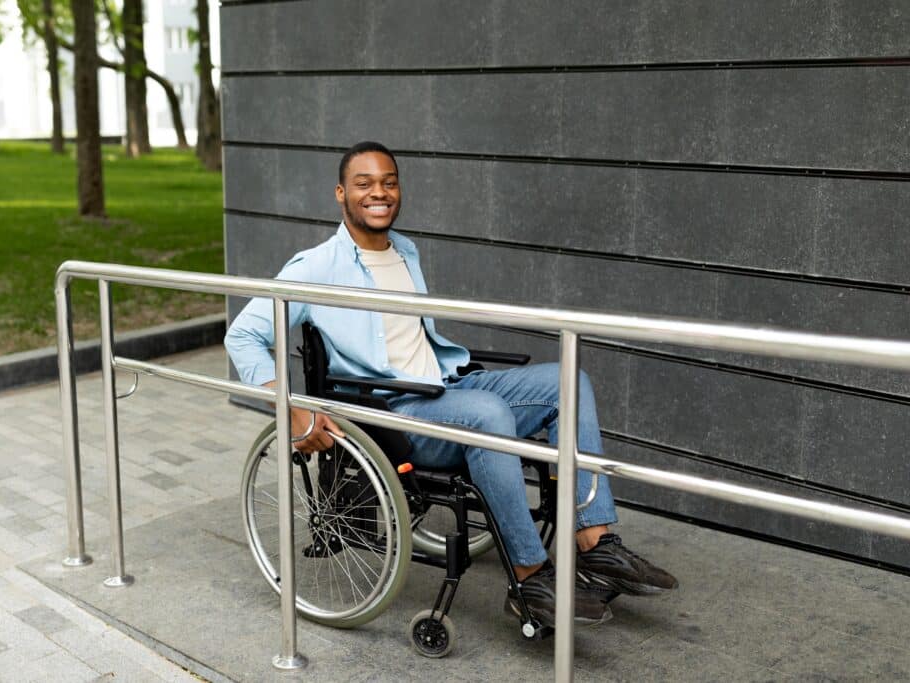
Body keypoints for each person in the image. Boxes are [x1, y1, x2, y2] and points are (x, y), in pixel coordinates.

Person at [226, 140, 677, 628]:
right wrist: (290, 406)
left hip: (447, 385)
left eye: (389, 182)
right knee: (488, 414)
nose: (379, 193)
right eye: (364, 184)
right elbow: (244, 335)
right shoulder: (317, 266)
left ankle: (595, 543)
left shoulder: (405, 251)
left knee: (569, 381)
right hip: (399, 413)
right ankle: (530, 578)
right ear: (341, 193)